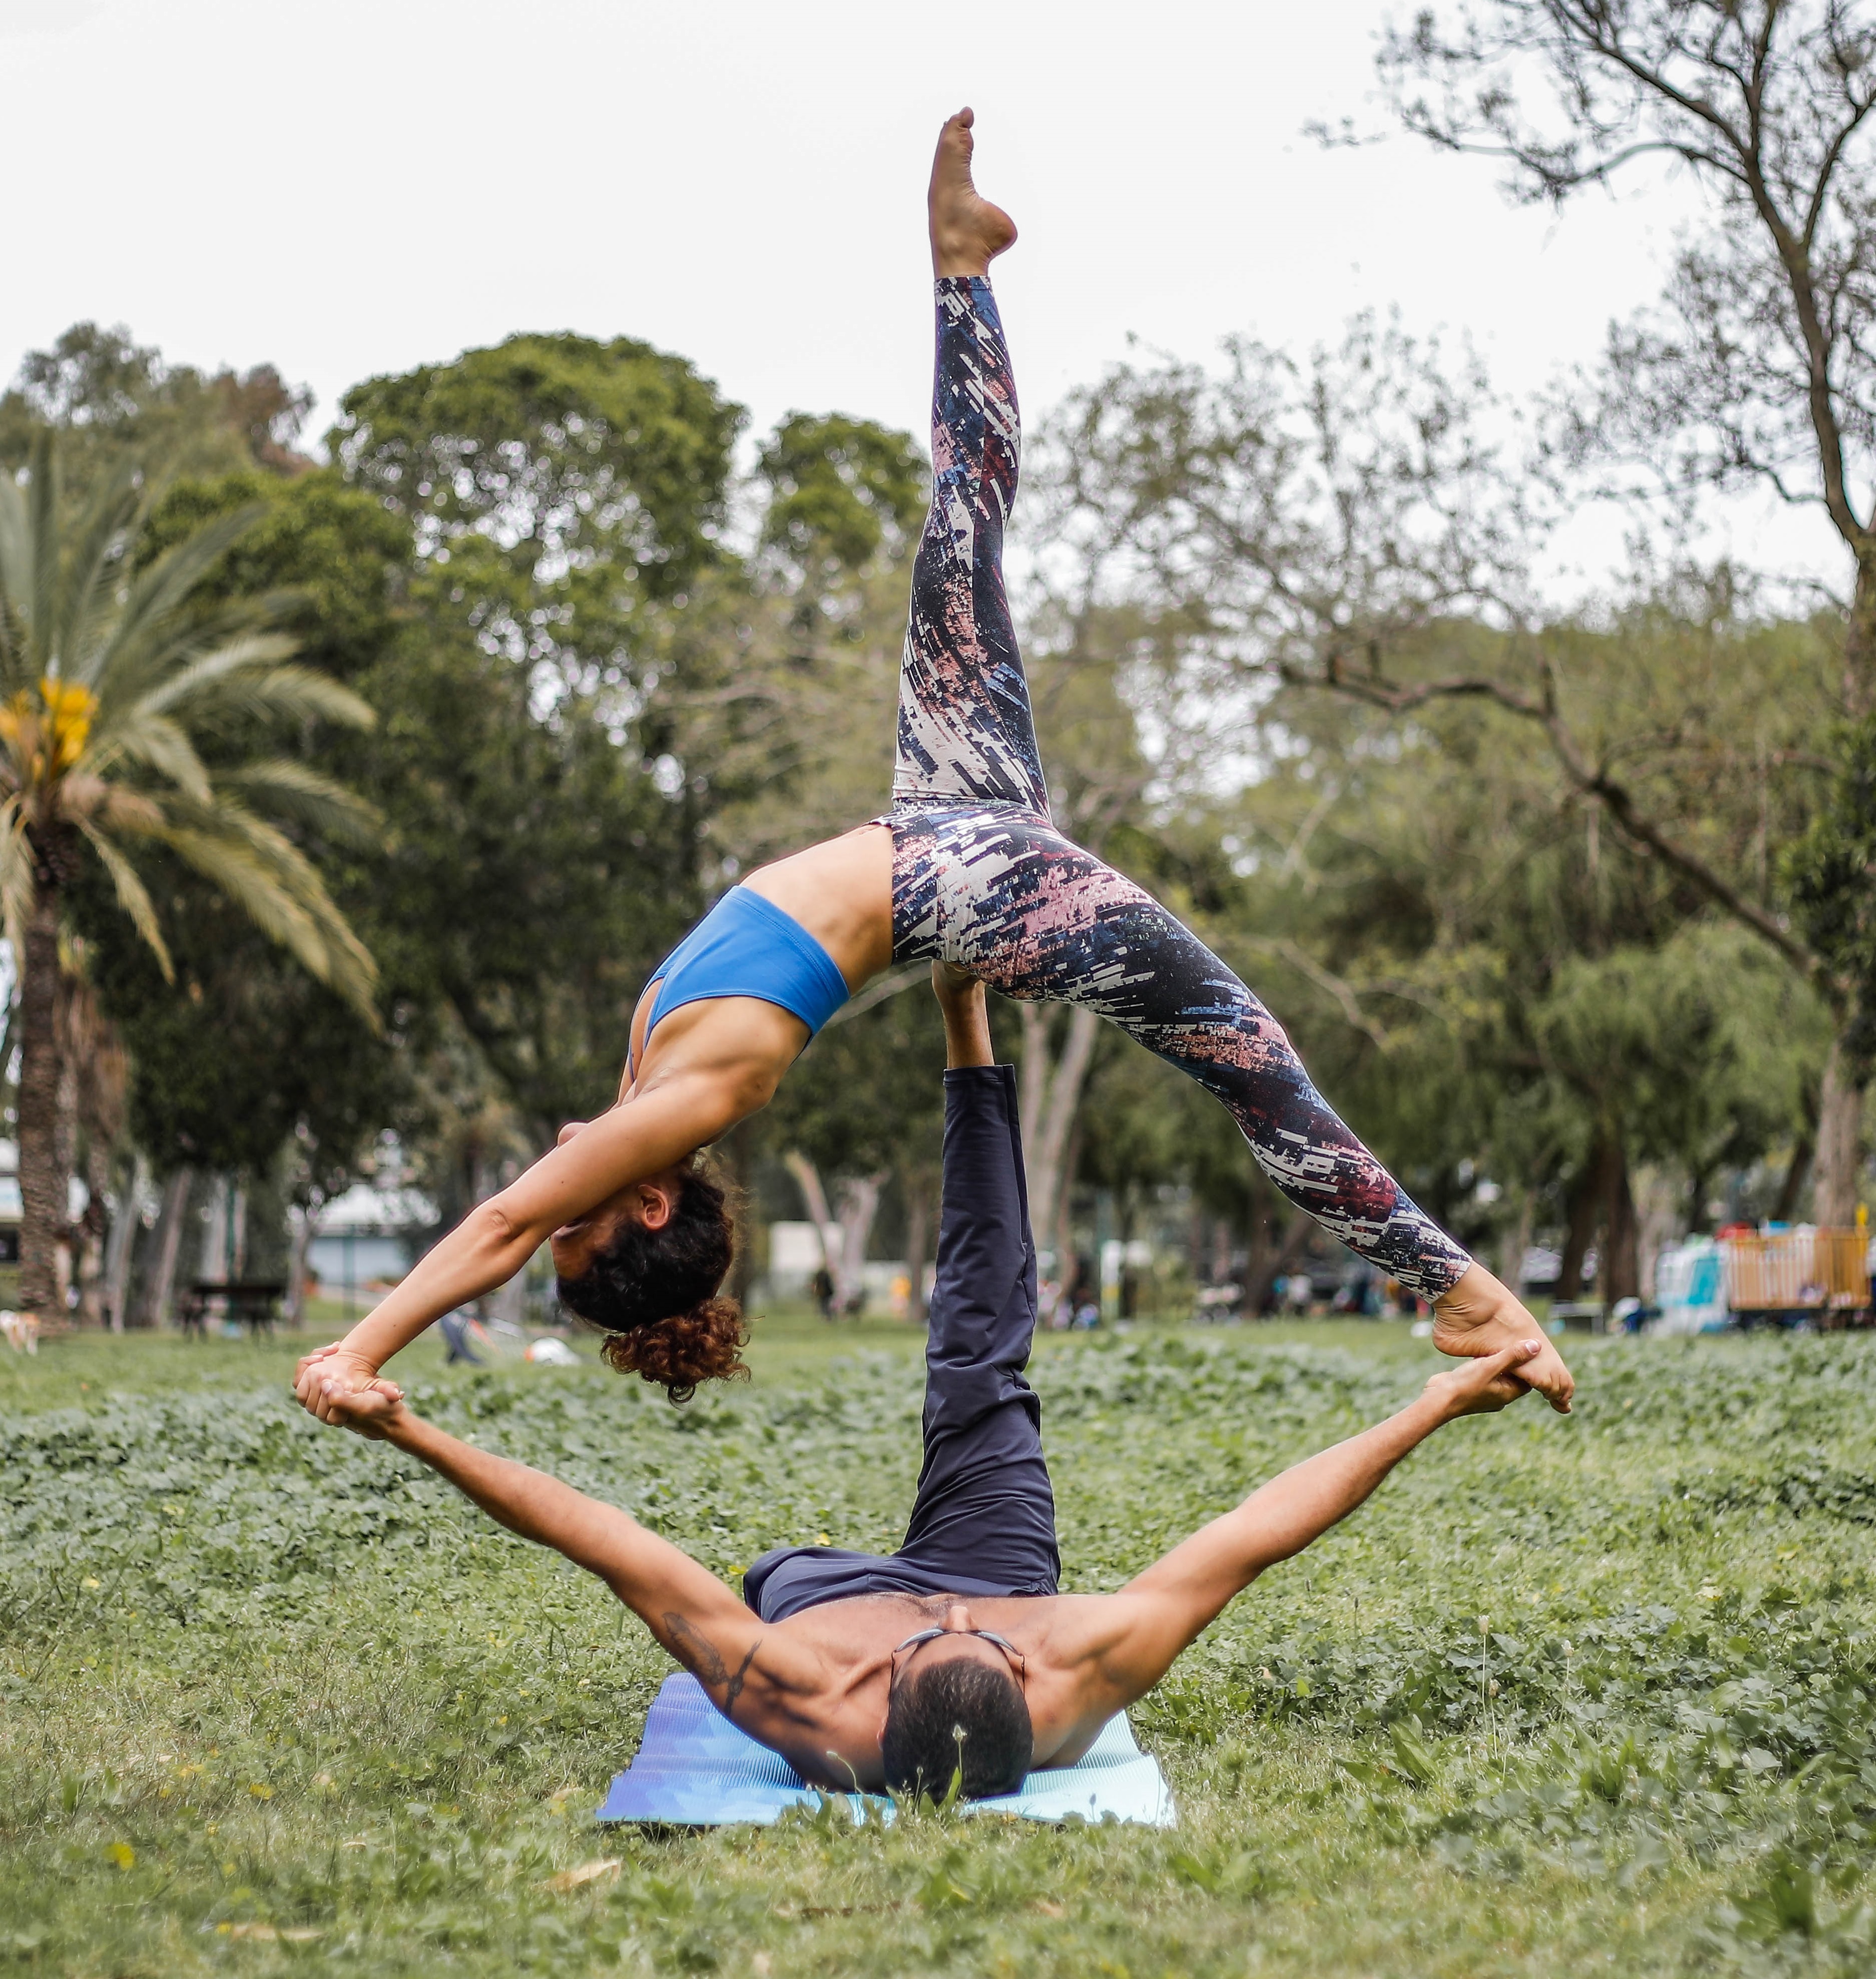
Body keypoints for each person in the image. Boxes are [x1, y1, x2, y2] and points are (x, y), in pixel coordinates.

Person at [297, 109, 1571, 1433]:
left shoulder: (653, 1084)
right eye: (581, 1225)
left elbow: (538, 1207)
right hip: (969, 874)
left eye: (563, 1218)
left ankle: (962, 264)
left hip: (941, 822)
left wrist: (953, 994)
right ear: (646, 1202)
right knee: (1243, 1054)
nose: (549, 1184)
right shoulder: (691, 1100)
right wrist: (365, 1345)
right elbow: (504, 1224)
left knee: (959, 522)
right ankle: (1460, 1290)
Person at [310, 966, 1548, 1800]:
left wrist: (411, 1426)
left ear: (875, 1690)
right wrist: (1440, 1400)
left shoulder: (791, 1695)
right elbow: (1256, 1531)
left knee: (778, 1577)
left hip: (822, 1598)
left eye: (940, 1641)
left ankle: (966, 1021)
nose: (952, 1618)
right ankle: (969, 1020)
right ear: (1026, 1685)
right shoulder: (1077, 1668)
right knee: (980, 1350)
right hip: (1004, 1554)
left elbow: (606, 1539)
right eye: (983, 1644)